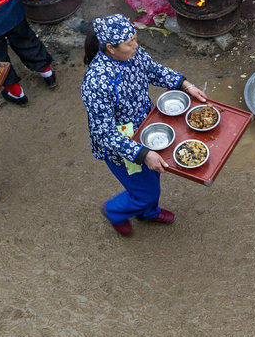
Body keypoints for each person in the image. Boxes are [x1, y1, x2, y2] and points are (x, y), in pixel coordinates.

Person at [81, 14, 208, 236]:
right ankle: (114, 211)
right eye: (130, 43)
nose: (136, 46)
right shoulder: (96, 83)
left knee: (153, 177)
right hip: (122, 146)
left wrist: (185, 85)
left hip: (148, 127)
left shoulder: (132, 54)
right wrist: (142, 153)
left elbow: (154, 70)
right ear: (111, 48)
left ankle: (147, 212)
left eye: (135, 40)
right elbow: (104, 133)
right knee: (145, 191)